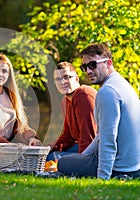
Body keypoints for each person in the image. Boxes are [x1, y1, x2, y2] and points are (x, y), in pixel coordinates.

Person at [58, 43, 140, 180]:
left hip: (119, 168)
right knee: (73, 158)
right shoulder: (121, 84)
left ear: (108, 63)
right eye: (85, 67)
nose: (88, 71)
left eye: (93, 65)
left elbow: (108, 140)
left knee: (62, 163)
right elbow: (101, 135)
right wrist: (83, 157)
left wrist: (103, 178)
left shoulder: (107, 92)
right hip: (135, 166)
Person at [46, 62, 97, 161]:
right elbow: (68, 136)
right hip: (81, 147)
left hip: (96, 150)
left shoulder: (83, 94)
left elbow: (89, 137)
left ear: (76, 78)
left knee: (54, 159)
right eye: (58, 79)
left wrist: (81, 162)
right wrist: (48, 148)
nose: (62, 82)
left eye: (66, 77)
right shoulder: (65, 101)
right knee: (48, 156)